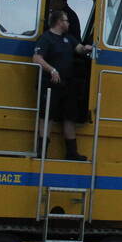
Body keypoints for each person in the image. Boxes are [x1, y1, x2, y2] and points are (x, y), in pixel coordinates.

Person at [32, 9, 93, 160]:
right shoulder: (46, 38)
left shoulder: (69, 38)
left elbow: (78, 49)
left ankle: (72, 152)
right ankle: (42, 152)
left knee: (69, 117)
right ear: (59, 22)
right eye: (66, 20)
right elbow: (37, 58)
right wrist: (52, 70)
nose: (68, 23)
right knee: (47, 117)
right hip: (50, 84)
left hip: (68, 84)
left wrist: (86, 48)